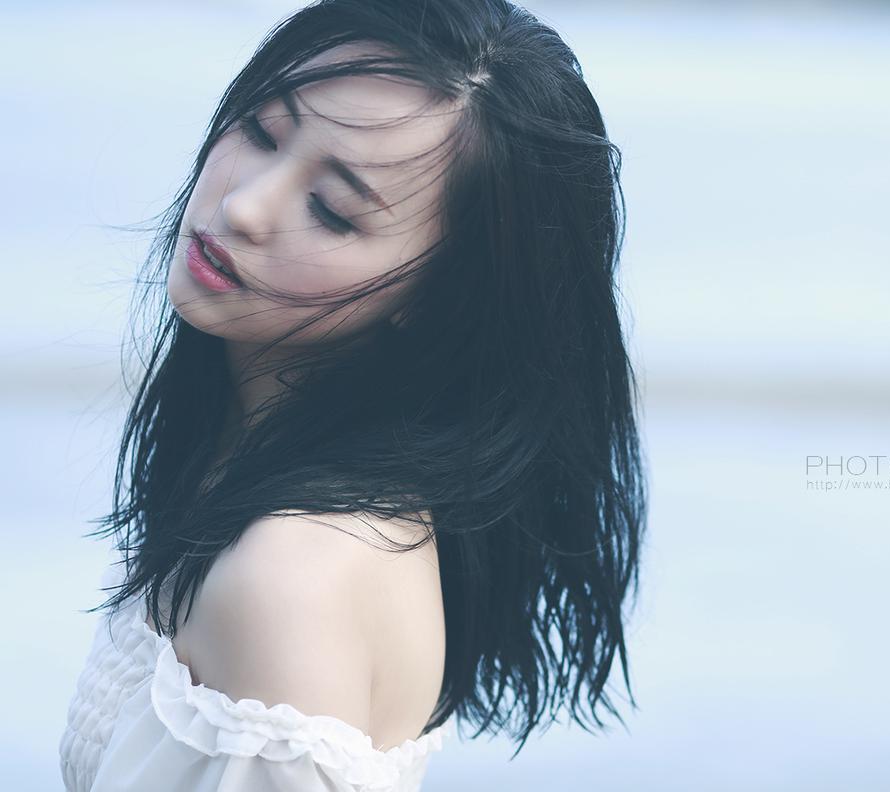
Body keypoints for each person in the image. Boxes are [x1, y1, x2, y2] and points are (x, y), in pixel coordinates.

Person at [57, 1, 647, 789]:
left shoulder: (289, 578)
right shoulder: (281, 477)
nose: (244, 206)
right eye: (261, 131)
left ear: (436, 298)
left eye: (332, 210)